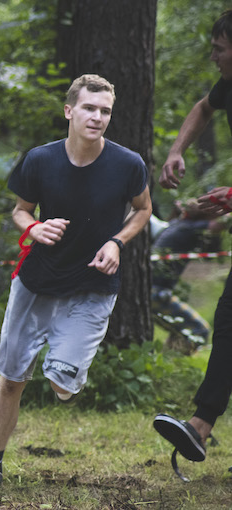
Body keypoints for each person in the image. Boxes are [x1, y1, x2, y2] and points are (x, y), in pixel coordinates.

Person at [0, 74, 151, 490]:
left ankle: (66, 366)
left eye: (105, 111)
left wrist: (117, 242)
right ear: (69, 110)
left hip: (91, 288)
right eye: (89, 108)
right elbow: (19, 210)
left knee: (60, 383)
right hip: (36, 284)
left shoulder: (127, 164)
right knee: (12, 378)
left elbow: (142, 209)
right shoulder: (40, 160)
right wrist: (33, 227)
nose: (97, 117)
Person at [154, 9, 232, 474]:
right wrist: (176, 150)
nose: (213, 57)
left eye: (219, 48)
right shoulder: (227, 88)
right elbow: (204, 108)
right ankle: (199, 427)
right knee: (226, 322)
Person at [151, 202, 223, 353]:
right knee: (199, 330)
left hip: (150, 288)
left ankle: (166, 360)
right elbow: (218, 225)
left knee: (181, 331)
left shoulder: (178, 224)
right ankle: (169, 363)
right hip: (156, 292)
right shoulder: (191, 228)